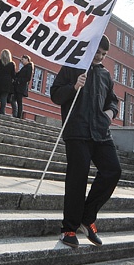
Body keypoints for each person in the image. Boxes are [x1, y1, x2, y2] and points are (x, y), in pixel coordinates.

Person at [49, 35, 121, 249]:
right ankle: (68, 228)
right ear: (90, 49)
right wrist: (73, 86)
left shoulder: (106, 75)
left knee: (113, 170)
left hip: (100, 131)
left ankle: (87, 217)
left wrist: (110, 113)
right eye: (97, 52)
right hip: (77, 130)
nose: (100, 57)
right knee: (77, 178)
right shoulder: (73, 66)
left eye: (104, 54)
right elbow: (55, 94)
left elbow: (113, 100)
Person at [11, 54, 33, 119]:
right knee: (14, 100)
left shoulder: (29, 67)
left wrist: (19, 80)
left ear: (27, 59)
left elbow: (28, 78)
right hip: (19, 86)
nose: (22, 61)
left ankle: (18, 115)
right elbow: (19, 74)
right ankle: (16, 114)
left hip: (21, 87)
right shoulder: (25, 67)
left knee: (19, 101)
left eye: (22, 59)